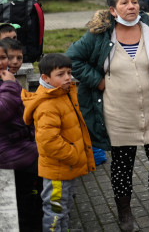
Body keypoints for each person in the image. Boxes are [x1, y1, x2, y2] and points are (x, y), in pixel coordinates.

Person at [67, 0, 149, 230]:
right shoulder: (100, 35)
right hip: (118, 113)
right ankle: (124, 213)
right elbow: (72, 59)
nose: (131, 6)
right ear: (113, 10)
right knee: (123, 164)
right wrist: (98, 80)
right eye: (124, 2)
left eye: (134, 1)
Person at [22, 54, 96, 232]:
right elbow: (49, 142)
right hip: (58, 170)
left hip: (66, 167)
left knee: (65, 204)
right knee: (55, 210)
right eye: (61, 74)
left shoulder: (62, 93)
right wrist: (73, 155)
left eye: (69, 73)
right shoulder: (48, 105)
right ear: (46, 78)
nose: (67, 77)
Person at [0, 42, 41, 232]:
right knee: (13, 215)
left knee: (27, 207)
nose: (5, 63)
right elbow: (4, 112)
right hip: (8, 160)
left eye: (2, 57)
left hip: (20, 152)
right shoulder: (8, 82)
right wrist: (10, 85)